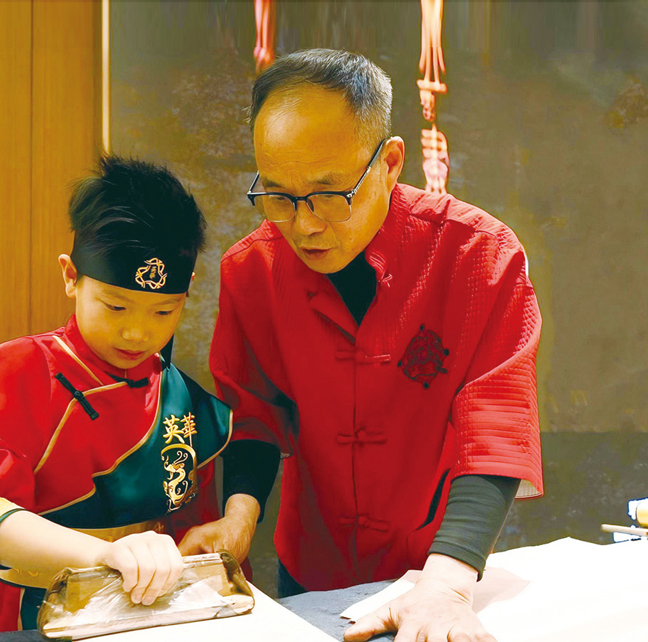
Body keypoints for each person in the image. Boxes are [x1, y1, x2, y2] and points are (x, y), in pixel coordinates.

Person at [180, 49, 543, 642]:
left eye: (329, 194)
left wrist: (448, 584)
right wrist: (239, 517)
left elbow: (496, 424)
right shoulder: (252, 270)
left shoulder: (479, 256)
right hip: (312, 565)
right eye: (278, 196)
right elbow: (254, 412)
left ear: (390, 162)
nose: (304, 225)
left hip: (437, 564)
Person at [0, 155, 232, 633]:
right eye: (116, 306)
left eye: (163, 312)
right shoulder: (10, 378)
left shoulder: (181, 396)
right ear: (70, 276)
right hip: (37, 613)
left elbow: (193, 530)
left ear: (187, 293)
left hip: (153, 616)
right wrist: (105, 555)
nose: (137, 333)